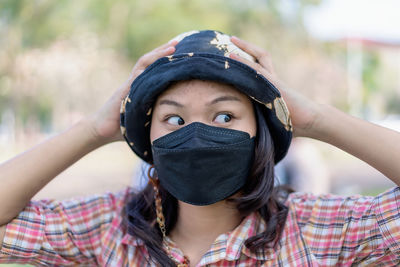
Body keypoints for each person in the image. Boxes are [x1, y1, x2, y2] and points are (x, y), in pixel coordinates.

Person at [0, 30, 399, 267]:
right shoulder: (108, 229)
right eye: (173, 119)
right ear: (148, 139)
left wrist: (312, 118)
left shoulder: (317, 230)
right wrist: (94, 129)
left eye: (224, 117)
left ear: (259, 134)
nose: (195, 135)